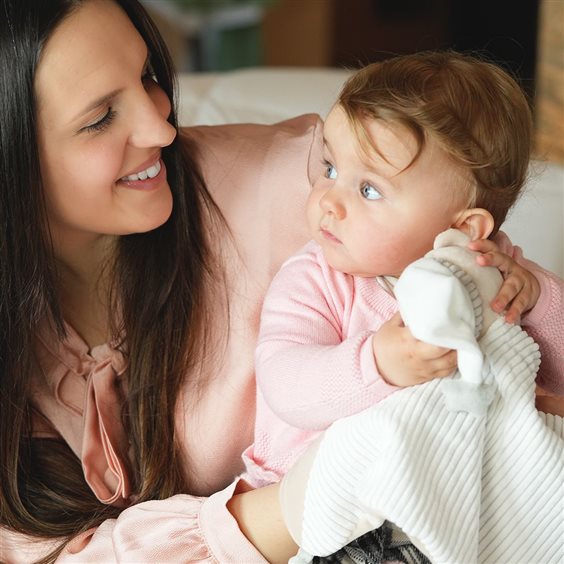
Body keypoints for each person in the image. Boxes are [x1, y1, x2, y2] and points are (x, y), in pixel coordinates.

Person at [0, 4, 560, 564]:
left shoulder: (315, 189)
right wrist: (306, 499)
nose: (162, 128)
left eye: (148, 76)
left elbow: (530, 386)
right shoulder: (319, 258)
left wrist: (526, 298)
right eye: (100, 118)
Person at [242, 52, 563, 490]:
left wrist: (539, 301)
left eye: (368, 189)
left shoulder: (498, 277)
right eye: (330, 168)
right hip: (310, 490)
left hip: (455, 487)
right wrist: (378, 364)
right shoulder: (316, 279)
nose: (329, 200)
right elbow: (285, 385)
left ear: (463, 229)